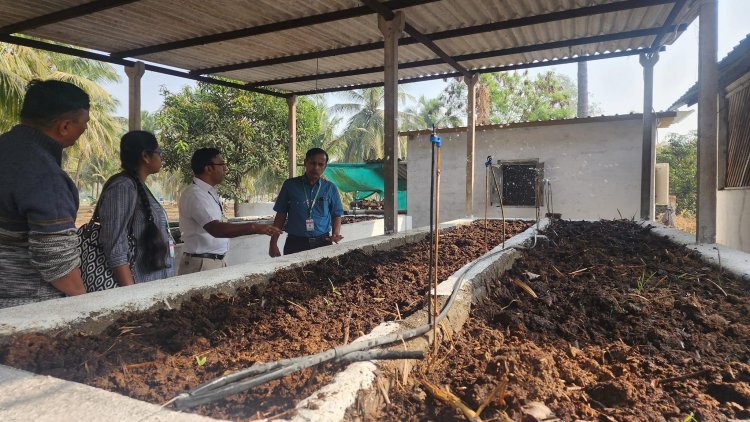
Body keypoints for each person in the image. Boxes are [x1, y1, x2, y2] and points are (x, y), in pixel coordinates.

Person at [0, 80, 90, 308]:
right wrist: (83, 300)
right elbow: (56, 258)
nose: (86, 129)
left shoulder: (7, 149)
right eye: (84, 123)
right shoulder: (43, 173)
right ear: (65, 126)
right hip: (24, 308)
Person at [178, 148, 282, 275]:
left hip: (212, 262)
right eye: (221, 165)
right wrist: (254, 227)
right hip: (201, 264)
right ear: (208, 168)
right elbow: (215, 229)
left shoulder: (208, 192)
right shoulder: (195, 194)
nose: (225, 169)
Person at [98, 131, 176, 285]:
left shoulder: (138, 186)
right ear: (146, 156)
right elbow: (115, 246)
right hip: (139, 286)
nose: (161, 157)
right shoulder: (123, 187)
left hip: (151, 283)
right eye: (159, 152)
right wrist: (132, 294)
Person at [269, 148, 344, 257]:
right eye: (313, 163)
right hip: (295, 244)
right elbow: (281, 215)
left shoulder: (330, 188)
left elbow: (336, 214)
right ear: (305, 163)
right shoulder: (290, 185)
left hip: (323, 243)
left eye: (320, 164)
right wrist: (273, 243)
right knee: (293, 274)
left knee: (321, 274)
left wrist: (336, 233)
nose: (316, 168)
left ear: (325, 166)